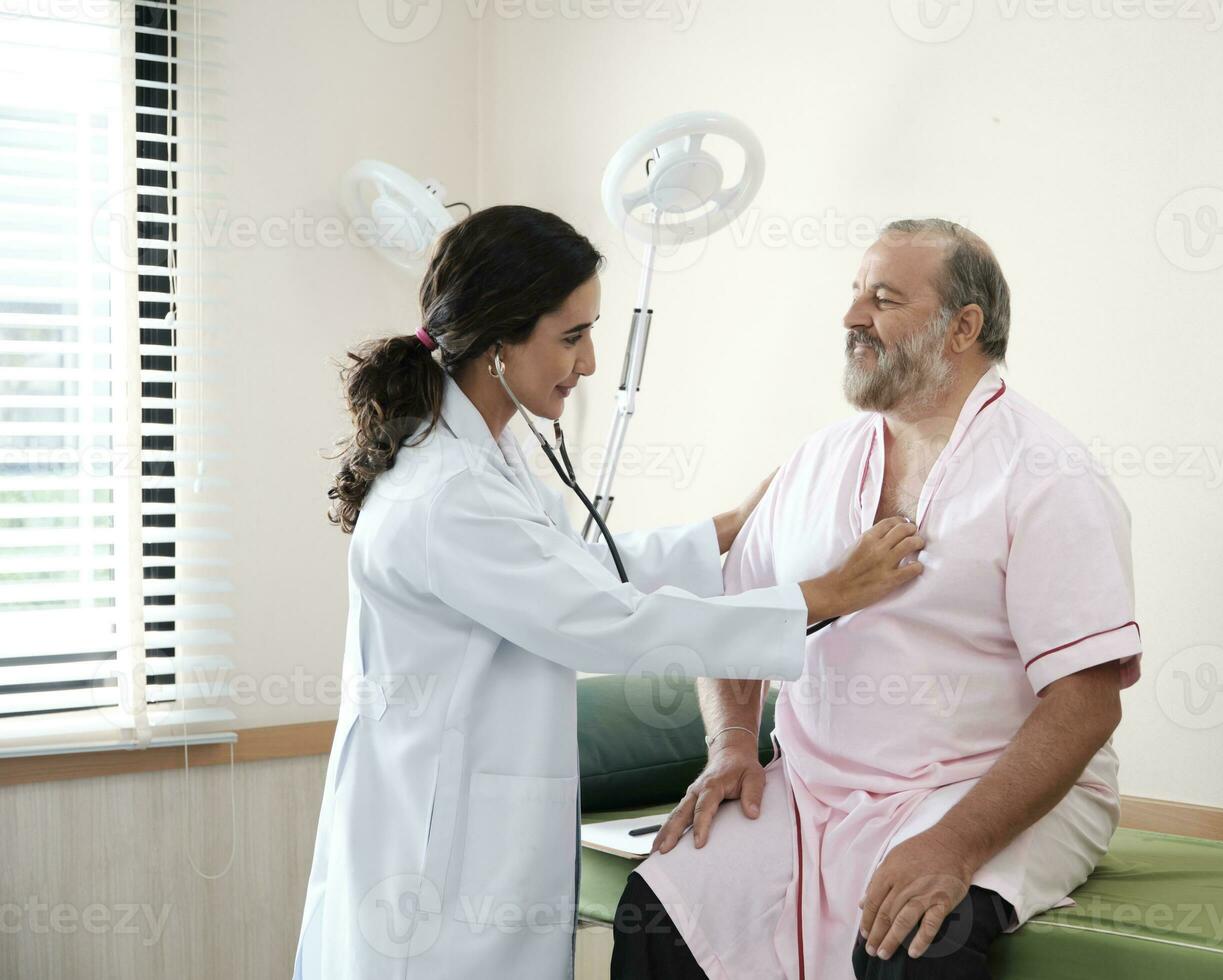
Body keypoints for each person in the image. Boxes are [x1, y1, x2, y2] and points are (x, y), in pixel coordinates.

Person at [293, 205, 925, 979]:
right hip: (432, 852)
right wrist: (821, 596)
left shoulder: (484, 457)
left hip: (466, 821)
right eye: (571, 336)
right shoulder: (444, 492)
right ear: (496, 344)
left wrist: (725, 529)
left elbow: (569, 567)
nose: (590, 363)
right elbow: (606, 623)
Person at [613, 219, 1141, 979]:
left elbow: (1088, 703)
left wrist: (955, 843)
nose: (852, 317)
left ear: (963, 328)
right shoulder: (816, 462)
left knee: (918, 940)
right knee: (659, 916)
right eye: (855, 294)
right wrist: (731, 744)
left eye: (883, 299)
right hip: (812, 790)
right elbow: (736, 618)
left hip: (978, 789)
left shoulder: (1048, 475)